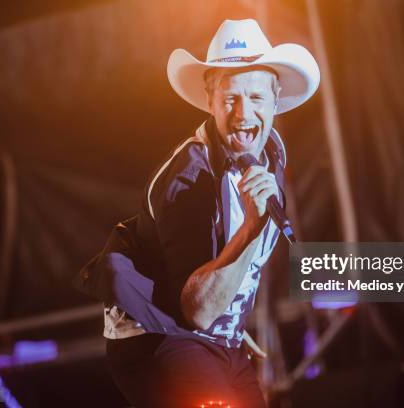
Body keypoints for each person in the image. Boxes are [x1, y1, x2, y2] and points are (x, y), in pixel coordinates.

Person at [73, 18, 319, 407]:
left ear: (276, 100)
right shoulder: (188, 181)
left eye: (255, 98)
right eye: (230, 99)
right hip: (158, 335)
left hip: (213, 333)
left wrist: (232, 316)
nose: (243, 114)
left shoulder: (270, 155)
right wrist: (250, 233)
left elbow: (212, 291)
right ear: (210, 101)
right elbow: (198, 311)